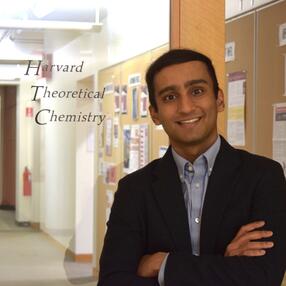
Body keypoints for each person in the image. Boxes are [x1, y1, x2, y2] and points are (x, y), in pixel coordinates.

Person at [97, 49, 286, 286]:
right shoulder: (134, 190)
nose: (186, 107)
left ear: (219, 99)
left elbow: (264, 277)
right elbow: (113, 282)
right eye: (169, 97)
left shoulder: (263, 177)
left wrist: (163, 264)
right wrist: (225, 264)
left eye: (197, 91)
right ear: (154, 113)